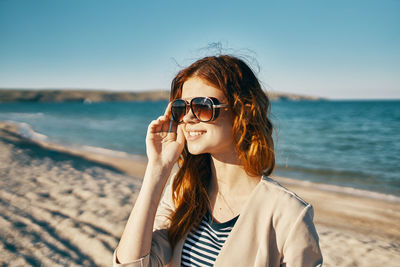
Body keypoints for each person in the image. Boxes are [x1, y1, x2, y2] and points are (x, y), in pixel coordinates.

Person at [114, 55, 323, 266]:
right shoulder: (181, 194)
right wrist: (157, 169)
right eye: (182, 107)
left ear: (243, 111)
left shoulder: (289, 214)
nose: (187, 118)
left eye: (203, 106)